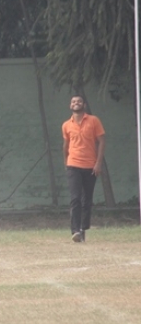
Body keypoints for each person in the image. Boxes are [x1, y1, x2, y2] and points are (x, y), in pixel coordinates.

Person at [62, 95, 105, 243]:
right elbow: (65, 146)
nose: (76, 103)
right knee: (75, 198)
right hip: (73, 165)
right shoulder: (66, 125)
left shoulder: (94, 121)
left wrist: (98, 163)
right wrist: (66, 163)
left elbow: (101, 141)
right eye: (73, 101)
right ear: (70, 105)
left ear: (84, 105)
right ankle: (75, 230)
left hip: (90, 166)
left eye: (79, 101)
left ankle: (83, 228)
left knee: (87, 199)